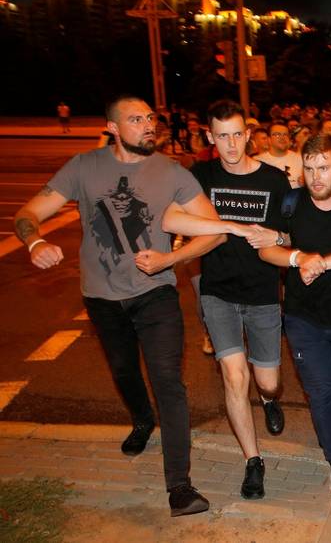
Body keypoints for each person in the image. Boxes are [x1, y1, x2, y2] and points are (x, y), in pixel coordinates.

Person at [13, 95, 244, 517]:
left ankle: (180, 486)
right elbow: (29, 212)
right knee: (123, 370)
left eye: (151, 118)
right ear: (114, 129)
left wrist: (171, 260)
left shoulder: (173, 172)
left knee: (168, 383)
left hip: (155, 292)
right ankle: (141, 419)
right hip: (101, 297)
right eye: (136, 120)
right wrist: (35, 240)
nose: (148, 125)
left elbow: (214, 231)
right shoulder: (83, 167)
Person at [260, 135, 331, 494]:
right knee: (319, 390)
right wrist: (298, 258)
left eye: (323, 168)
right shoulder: (291, 204)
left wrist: (323, 263)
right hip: (302, 316)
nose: (315, 177)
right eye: (308, 169)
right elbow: (267, 249)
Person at [190, 100, 291, 501]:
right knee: (235, 376)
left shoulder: (274, 180)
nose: (231, 145)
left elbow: (292, 233)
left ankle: (268, 400)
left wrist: (278, 238)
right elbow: (177, 216)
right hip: (218, 292)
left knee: (268, 381)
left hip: (264, 294)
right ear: (210, 138)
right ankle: (254, 461)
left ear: (248, 135)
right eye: (221, 136)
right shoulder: (199, 176)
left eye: (237, 135)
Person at [257, 122, 303, 188]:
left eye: (285, 134)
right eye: (277, 134)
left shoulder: (301, 159)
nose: (282, 137)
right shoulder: (258, 161)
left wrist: (306, 184)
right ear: (269, 139)